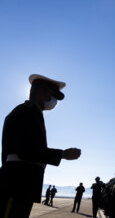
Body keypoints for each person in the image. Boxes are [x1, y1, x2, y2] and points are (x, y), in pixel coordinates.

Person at [0, 74, 81, 218]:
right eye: (53, 94)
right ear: (41, 92)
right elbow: (26, 151)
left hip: (21, 185)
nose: (54, 100)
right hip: (16, 184)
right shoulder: (25, 112)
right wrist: (62, 154)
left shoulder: (32, 113)